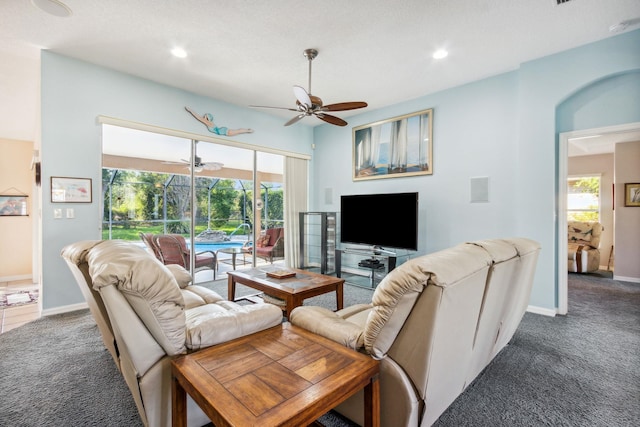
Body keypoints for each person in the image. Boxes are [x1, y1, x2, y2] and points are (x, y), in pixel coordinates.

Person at [185, 107, 254, 136]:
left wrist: (191, 111)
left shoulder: (209, 123)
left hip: (223, 131)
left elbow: (198, 118)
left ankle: (248, 130)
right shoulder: (210, 123)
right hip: (223, 131)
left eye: (205, 116)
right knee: (237, 131)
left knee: (238, 131)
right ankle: (248, 130)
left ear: (207, 118)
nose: (203, 118)